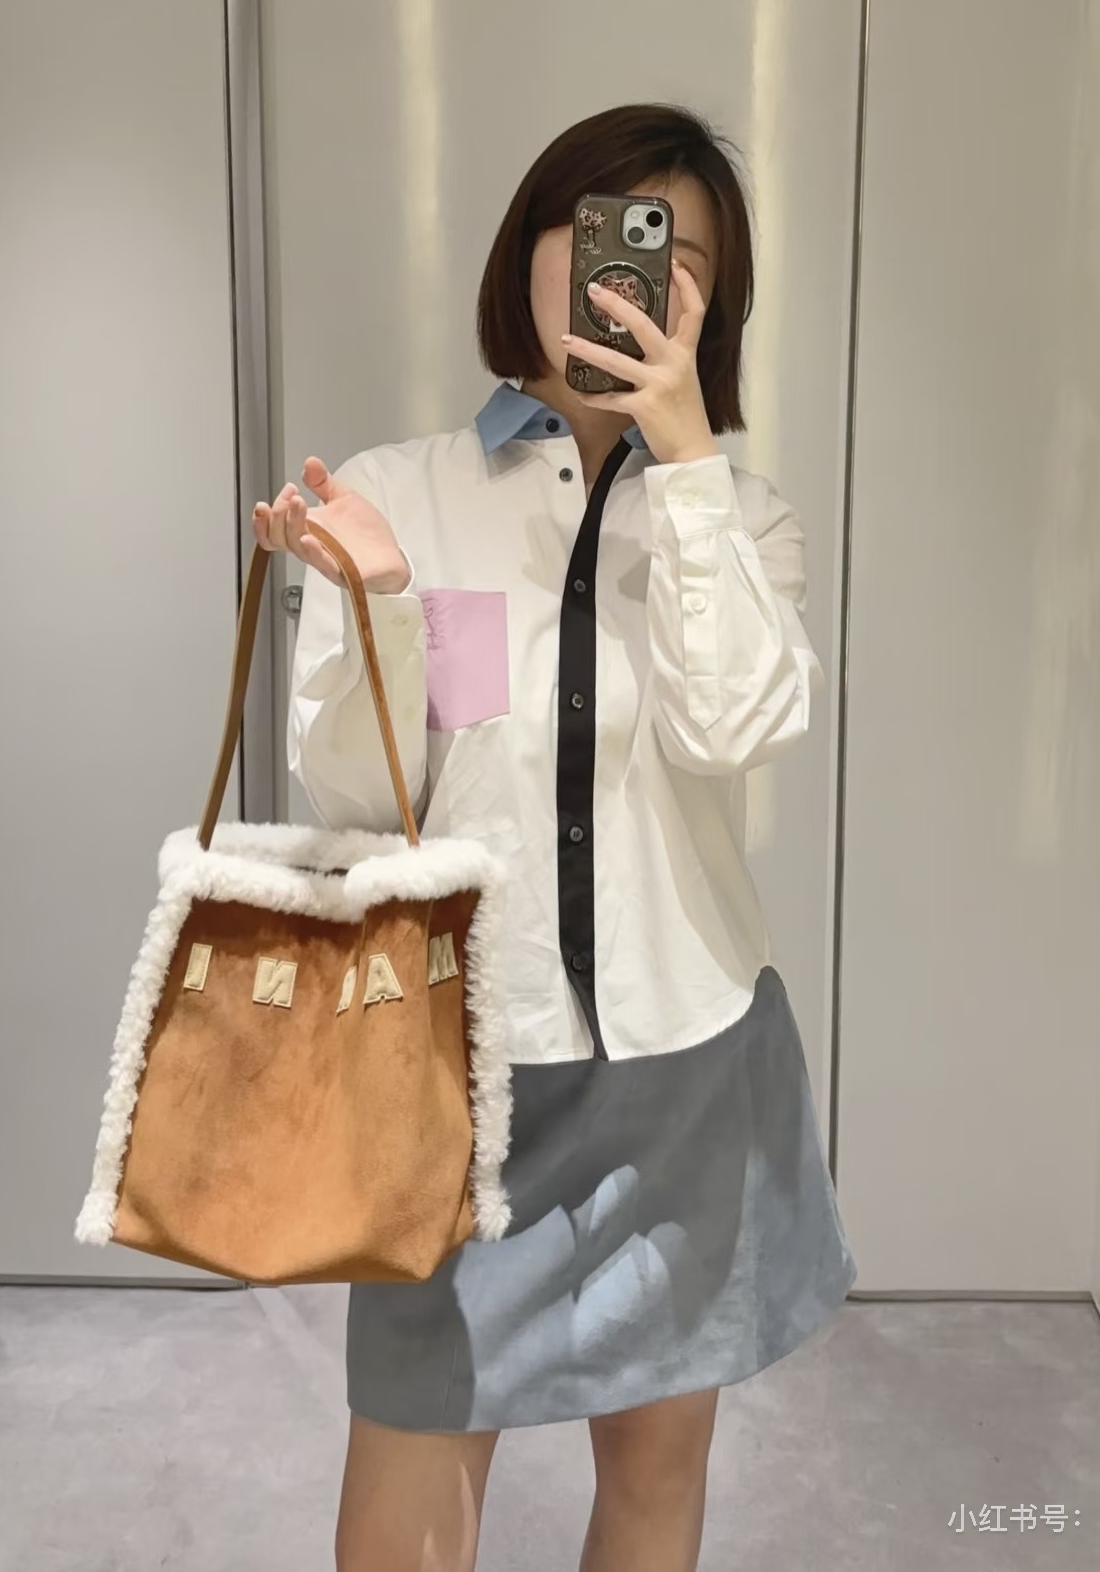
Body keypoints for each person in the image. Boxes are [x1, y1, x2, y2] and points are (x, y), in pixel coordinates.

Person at [252, 102, 857, 1572]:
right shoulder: (395, 493)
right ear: (530, 247)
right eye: (602, 232)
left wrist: (686, 460)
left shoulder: (744, 519)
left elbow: (739, 729)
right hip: (460, 1073)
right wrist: (385, 604)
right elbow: (352, 792)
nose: (631, 275)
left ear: (714, 303)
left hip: (686, 1066)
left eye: (677, 256)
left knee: (655, 1463)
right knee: (410, 1470)